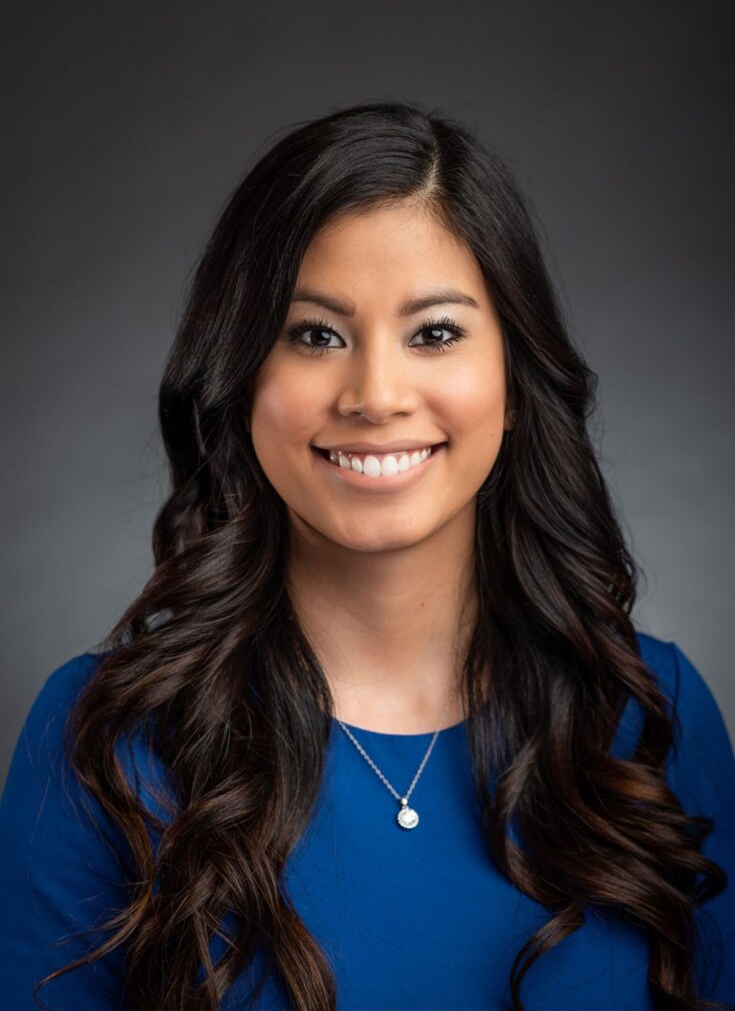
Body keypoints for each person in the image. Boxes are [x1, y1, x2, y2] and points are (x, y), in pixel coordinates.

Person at [0, 100, 733, 1011]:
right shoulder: (103, 738)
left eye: (434, 333)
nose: (375, 394)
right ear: (240, 379)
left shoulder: (649, 719)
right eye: (314, 334)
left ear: (512, 384)